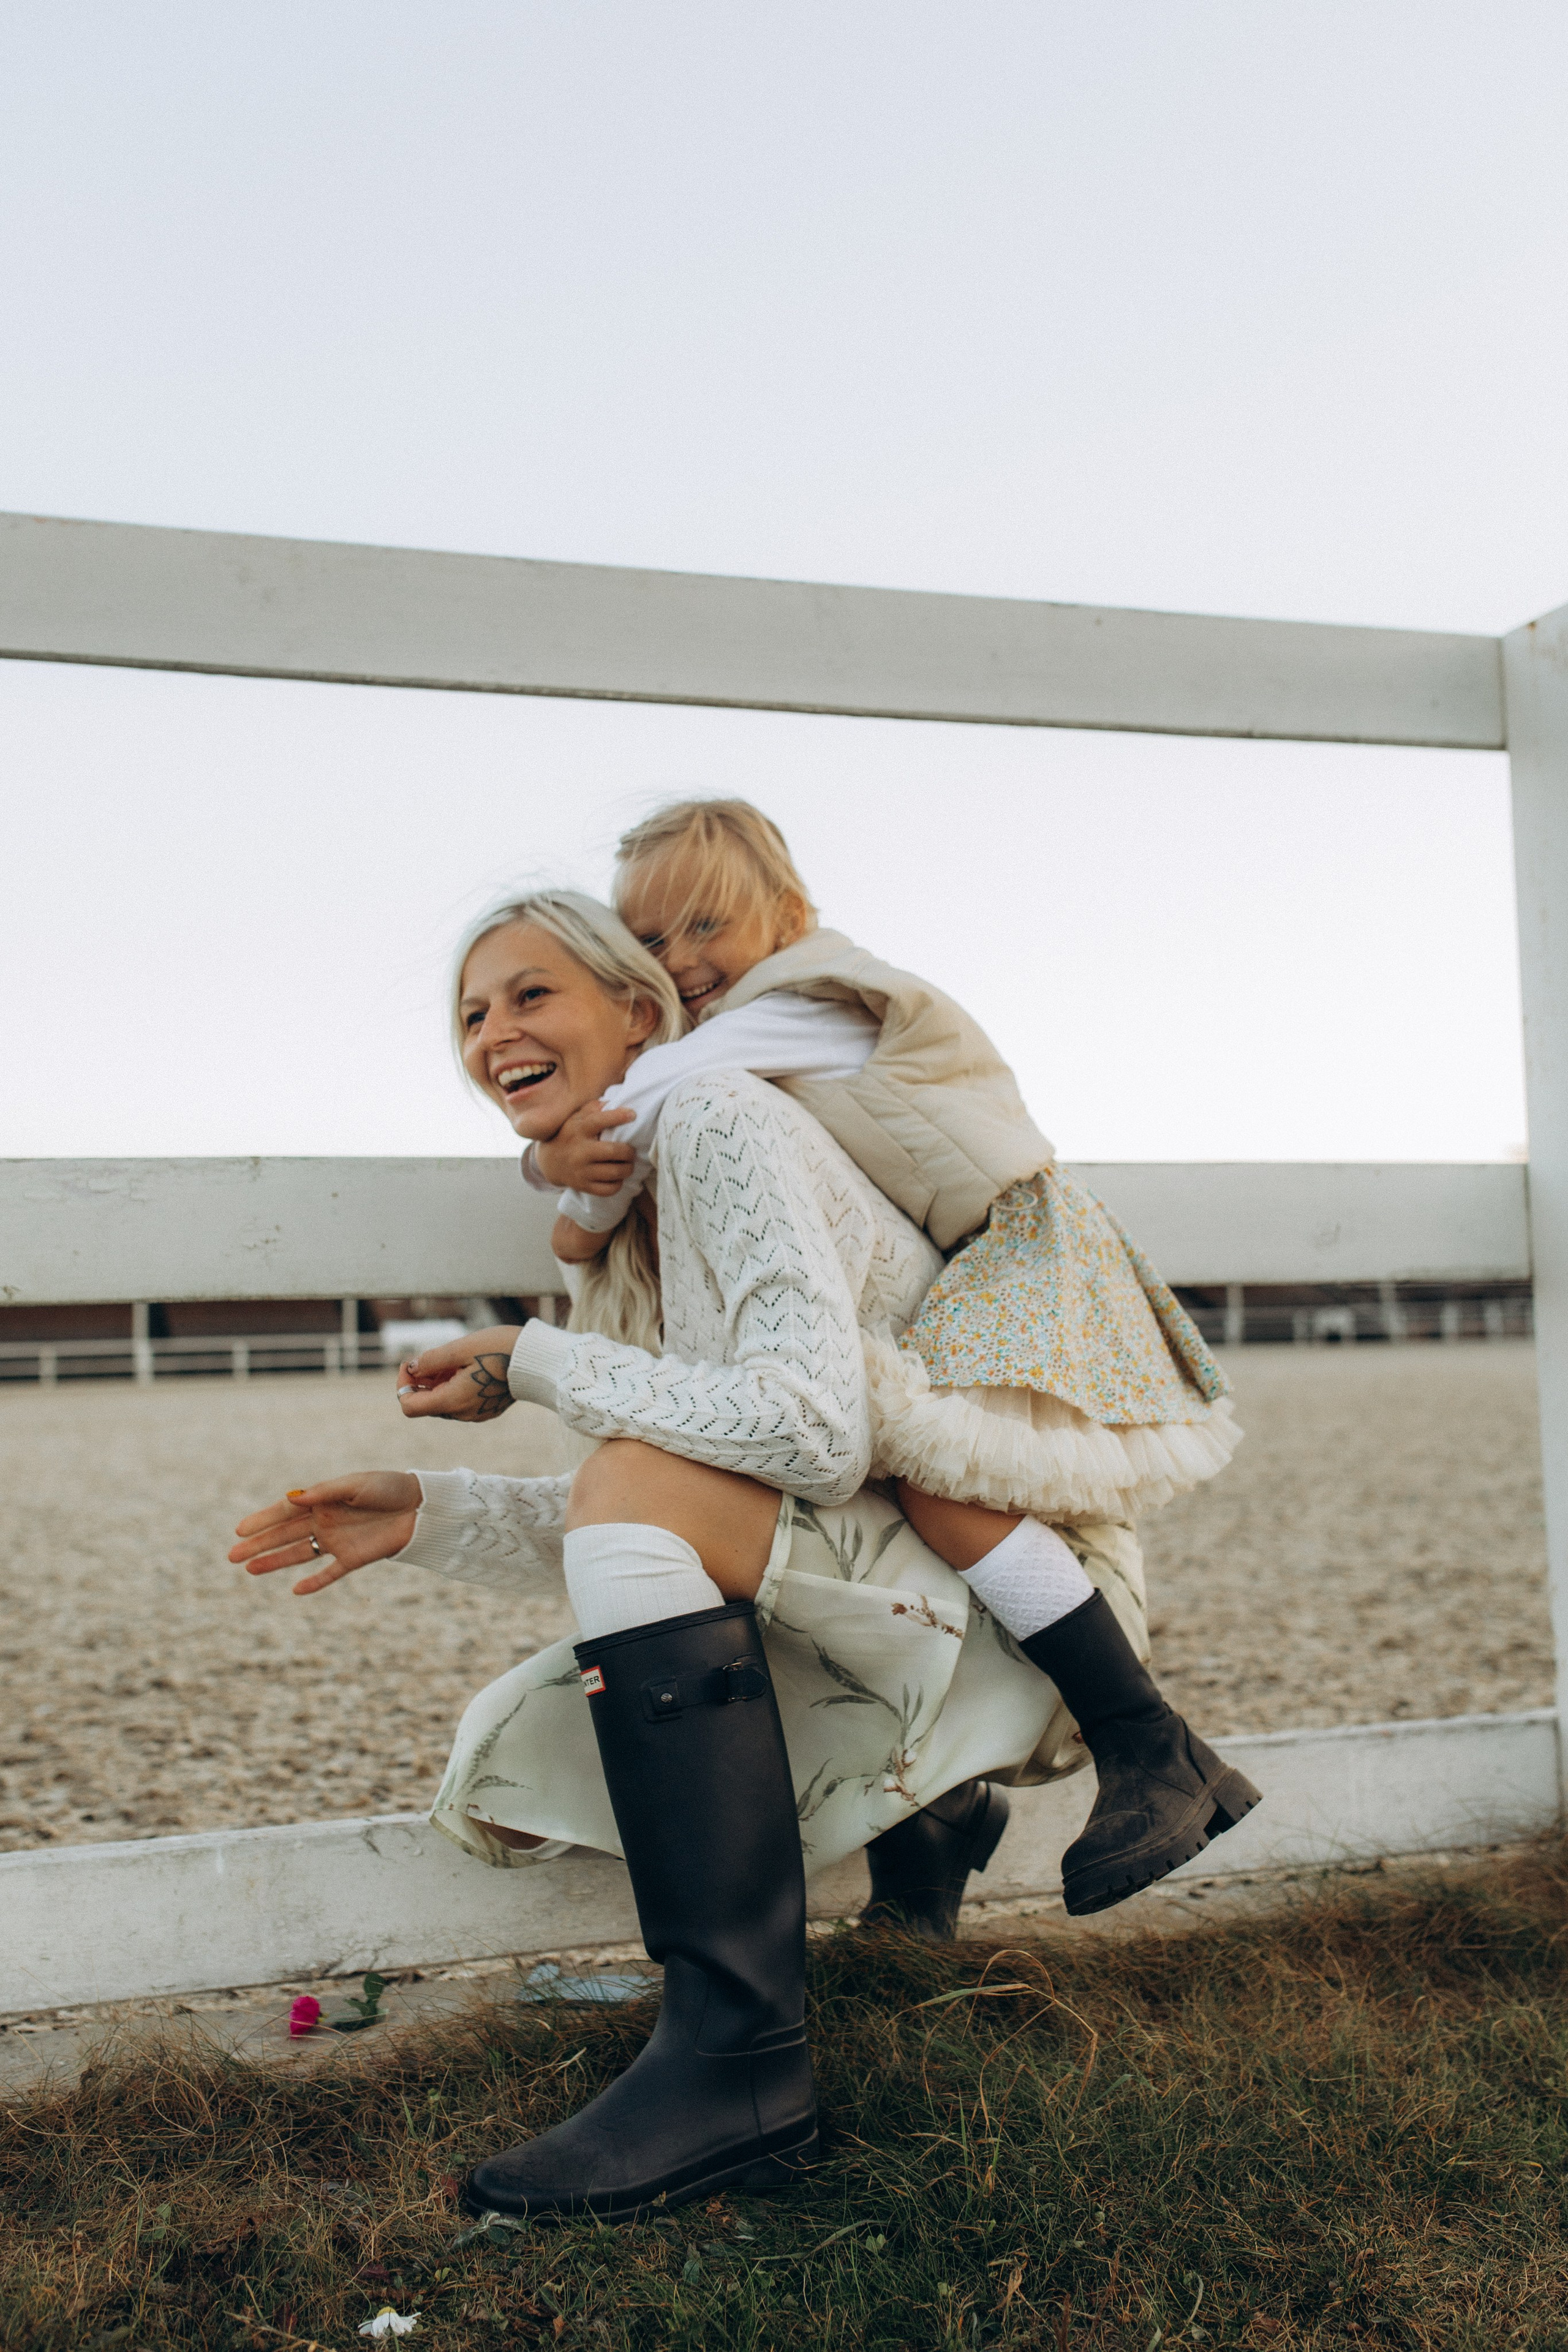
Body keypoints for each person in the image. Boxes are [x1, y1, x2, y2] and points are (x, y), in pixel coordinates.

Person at [229, 889, 1210, 2222]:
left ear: (639, 1012)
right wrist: (429, 1510)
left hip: (1023, 1609)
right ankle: (910, 1825)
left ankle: (738, 2059)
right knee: (505, 1761)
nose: (492, 1033)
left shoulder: (718, 1121)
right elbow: (660, 1505)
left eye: (530, 995)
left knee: (619, 1525)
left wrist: (531, 1359)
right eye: (469, 1013)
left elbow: (803, 1441)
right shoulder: (627, 1219)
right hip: (884, 1593)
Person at [516, 799, 1254, 1921]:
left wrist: (557, 1183)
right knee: (891, 1494)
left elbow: (647, 1100)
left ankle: (1150, 1740)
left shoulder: (813, 997)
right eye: (651, 942)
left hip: (1020, 1253)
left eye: (705, 924)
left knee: (929, 1477)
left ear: (793, 913)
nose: (683, 961)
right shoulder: (747, 1021)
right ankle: (948, 1813)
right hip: (971, 1260)